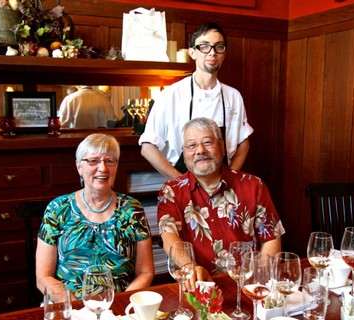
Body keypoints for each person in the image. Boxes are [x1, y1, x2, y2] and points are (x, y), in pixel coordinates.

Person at [157, 117, 284, 290]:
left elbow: (271, 237)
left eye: (207, 142)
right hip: (197, 286)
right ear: (184, 153)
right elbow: (169, 237)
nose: (200, 150)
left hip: (246, 285)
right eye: (192, 145)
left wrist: (260, 281)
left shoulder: (253, 185)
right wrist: (189, 268)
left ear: (222, 147)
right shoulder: (171, 191)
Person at [36, 133, 155, 300]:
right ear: (79, 167)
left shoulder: (132, 209)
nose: (103, 168)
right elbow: (43, 277)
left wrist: (118, 305)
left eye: (109, 161)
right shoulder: (58, 209)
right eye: (93, 161)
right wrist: (74, 307)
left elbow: (145, 272)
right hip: (67, 307)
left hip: (118, 307)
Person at [139, 22, 254, 180]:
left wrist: (230, 178)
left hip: (224, 184)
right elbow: (147, 147)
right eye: (204, 46)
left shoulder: (233, 96)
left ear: (224, 54)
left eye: (218, 47)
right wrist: (182, 183)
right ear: (192, 52)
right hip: (182, 183)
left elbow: (244, 142)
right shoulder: (170, 95)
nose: (212, 53)